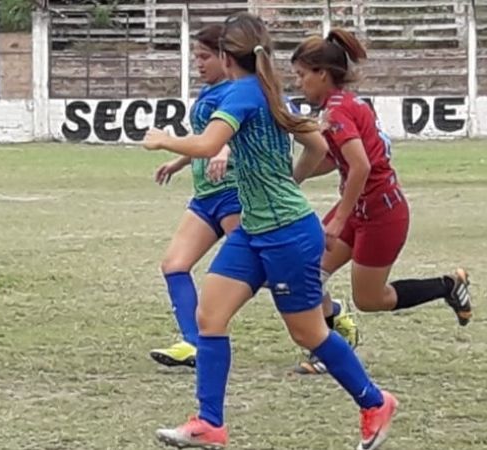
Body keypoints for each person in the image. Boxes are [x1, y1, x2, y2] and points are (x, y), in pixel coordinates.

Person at [144, 13, 397, 450]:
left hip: (287, 233)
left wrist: (164, 140)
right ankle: (210, 424)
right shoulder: (262, 89)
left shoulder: (243, 94)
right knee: (210, 316)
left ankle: (375, 403)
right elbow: (317, 146)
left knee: (309, 333)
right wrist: (288, 179)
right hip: (255, 230)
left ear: (226, 56)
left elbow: (207, 146)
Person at [290, 28, 472, 375]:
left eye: (301, 75)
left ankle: (449, 285)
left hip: (381, 214)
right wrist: (294, 178)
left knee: (371, 300)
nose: (299, 84)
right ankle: (329, 350)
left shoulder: (339, 111)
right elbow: (335, 159)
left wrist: (340, 219)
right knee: (309, 272)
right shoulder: (340, 105)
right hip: (361, 207)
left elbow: (360, 165)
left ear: (322, 74)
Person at [147, 25, 242, 368]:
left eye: (205, 57)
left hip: (235, 194)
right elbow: (205, 136)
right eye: (196, 57)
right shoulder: (208, 92)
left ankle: (332, 317)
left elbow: (243, 128)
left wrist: (226, 148)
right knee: (174, 265)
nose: (199, 64)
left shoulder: (238, 92)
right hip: (206, 196)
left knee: (264, 275)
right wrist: (179, 161)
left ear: (225, 57)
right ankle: (193, 343)